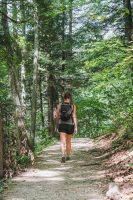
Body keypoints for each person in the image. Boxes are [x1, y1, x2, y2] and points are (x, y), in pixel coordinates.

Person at [56, 92, 78, 163]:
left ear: (64, 98)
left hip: (62, 125)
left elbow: (57, 116)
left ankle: (63, 155)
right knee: (68, 141)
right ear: (70, 98)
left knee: (62, 142)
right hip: (70, 125)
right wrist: (76, 127)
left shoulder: (59, 105)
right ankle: (68, 156)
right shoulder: (73, 106)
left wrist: (57, 124)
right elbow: (74, 116)